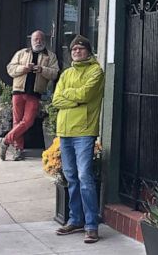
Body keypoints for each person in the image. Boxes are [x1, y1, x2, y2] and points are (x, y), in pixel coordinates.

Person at [51, 35, 104, 244]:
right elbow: (56, 99)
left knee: (85, 177)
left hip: (84, 131)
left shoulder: (96, 72)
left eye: (81, 49)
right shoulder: (66, 73)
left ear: (88, 51)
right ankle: (75, 219)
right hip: (65, 132)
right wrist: (74, 99)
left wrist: (69, 98)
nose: (77, 52)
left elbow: (85, 94)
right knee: (71, 176)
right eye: (74, 50)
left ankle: (91, 225)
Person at [1, 30, 60, 160]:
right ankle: (18, 150)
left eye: (40, 39)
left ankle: (5, 140)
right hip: (18, 91)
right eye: (36, 39)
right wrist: (24, 68)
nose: (38, 41)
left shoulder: (50, 56)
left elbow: (55, 73)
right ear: (31, 41)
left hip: (34, 93)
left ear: (44, 40)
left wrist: (42, 69)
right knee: (17, 121)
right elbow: (10, 69)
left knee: (28, 121)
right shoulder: (22, 53)